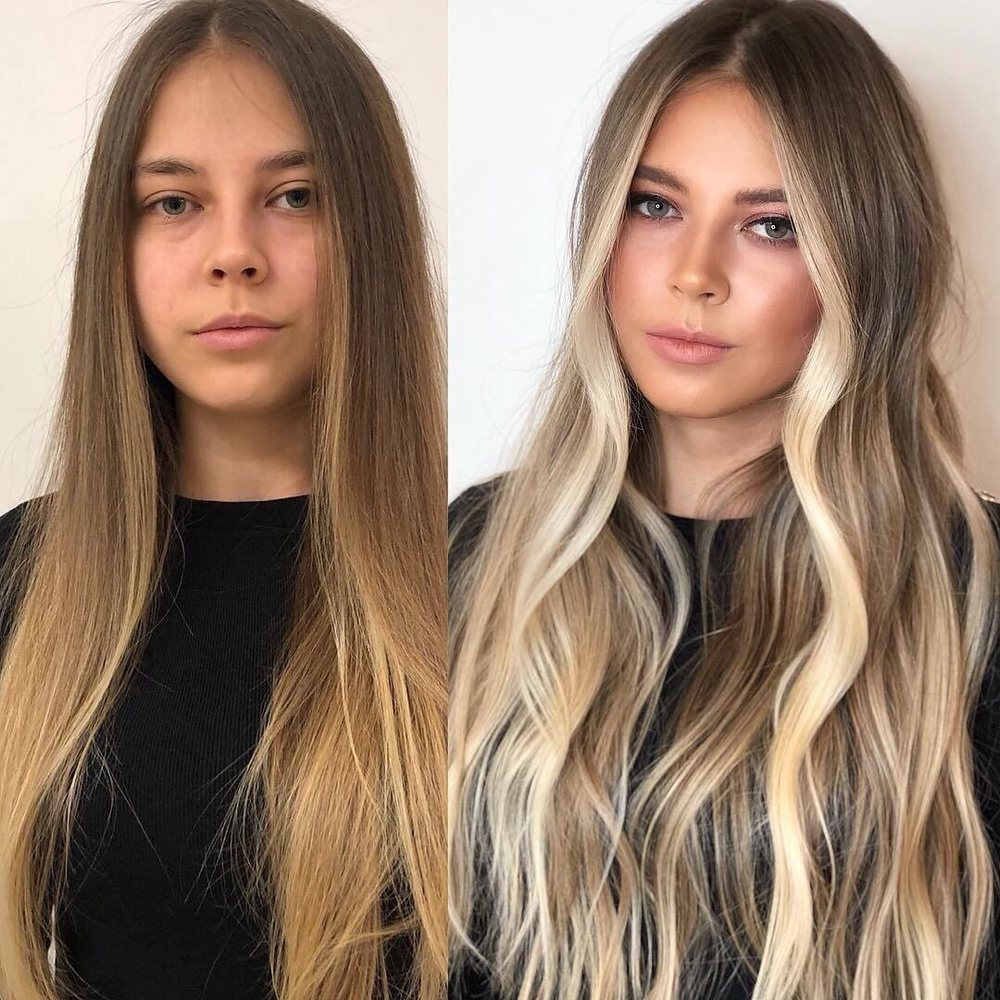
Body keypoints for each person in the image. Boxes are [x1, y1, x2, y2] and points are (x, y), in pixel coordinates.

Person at [447, 0, 1000, 998]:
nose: (694, 275)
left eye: (771, 226)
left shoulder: (973, 594)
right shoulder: (474, 553)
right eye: (655, 206)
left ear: (863, 259)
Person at [0, 1, 446, 998]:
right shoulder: (21, 578)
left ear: (369, 232)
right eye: (174, 202)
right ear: (115, 246)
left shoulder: (477, 572)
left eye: (294, 196)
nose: (233, 253)